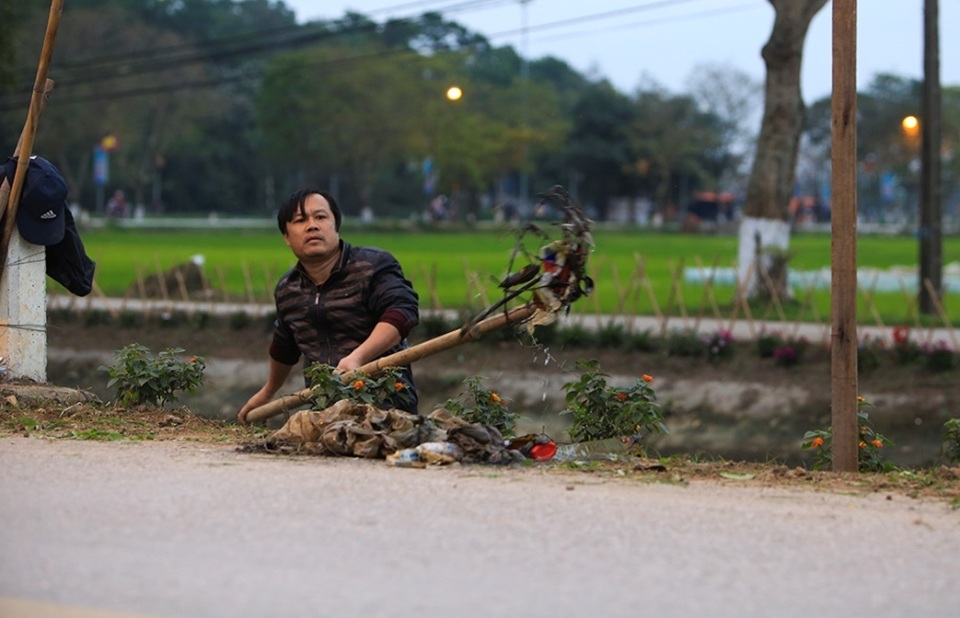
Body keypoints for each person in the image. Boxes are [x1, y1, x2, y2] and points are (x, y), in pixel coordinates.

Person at [238, 188, 420, 424]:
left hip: (387, 406)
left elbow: (402, 312)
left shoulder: (373, 265)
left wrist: (357, 357)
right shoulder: (288, 288)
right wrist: (268, 392)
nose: (312, 226)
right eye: (300, 220)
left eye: (321, 217)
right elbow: (285, 346)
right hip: (325, 412)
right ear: (286, 236)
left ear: (336, 225)